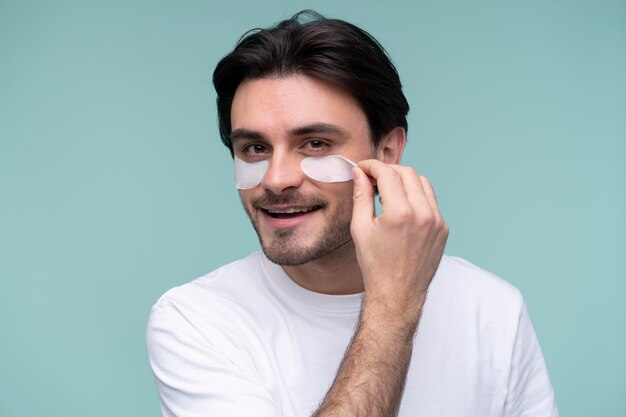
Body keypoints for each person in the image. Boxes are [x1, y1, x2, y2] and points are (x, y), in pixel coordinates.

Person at [146, 10, 558, 417]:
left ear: (387, 152)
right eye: (255, 148)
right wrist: (393, 309)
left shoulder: (493, 310)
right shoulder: (196, 321)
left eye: (316, 143)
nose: (276, 179)